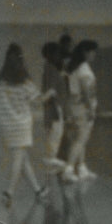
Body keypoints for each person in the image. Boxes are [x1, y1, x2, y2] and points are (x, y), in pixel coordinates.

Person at [0, 44, 49, 207]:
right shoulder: (24, 79)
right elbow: (37, 100)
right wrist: (50, 94)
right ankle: (9, 193)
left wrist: (0, 112)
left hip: (6, 124)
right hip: (23, 124)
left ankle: (38, 191)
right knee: (18, 158)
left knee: (22, 157)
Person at [63, 39, 99, 182]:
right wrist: (90, 109)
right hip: (83, 108)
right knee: (80, 140)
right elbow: (85, 91)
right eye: (92, 52)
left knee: (80, 139)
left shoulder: (75, 67)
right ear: (85, 52)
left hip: (75, 106)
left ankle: (82, 168)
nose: (94, 54)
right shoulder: (83, 69)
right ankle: (69, 169)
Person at [40, 41, 69, 174]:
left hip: (54, 107)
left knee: (53, 135)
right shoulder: (51, 69)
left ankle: (51, 162)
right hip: (55, 108)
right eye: (57, 54)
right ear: (51, 54)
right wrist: (56, 110)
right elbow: (51, 91)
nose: (59, 56)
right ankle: (50, 161)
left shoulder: (50, 68)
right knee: (54, 135)